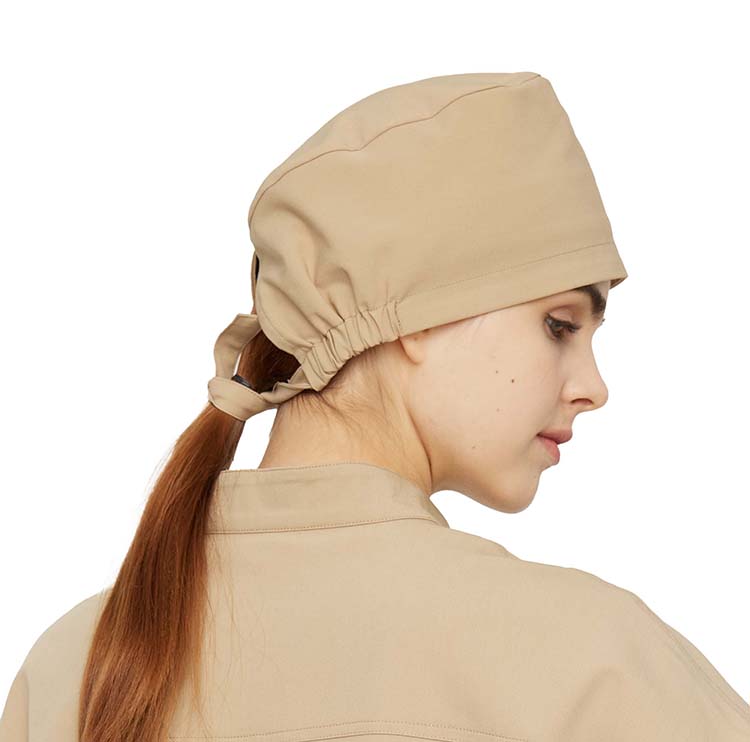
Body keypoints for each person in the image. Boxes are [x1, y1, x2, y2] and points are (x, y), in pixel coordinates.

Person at [1, 72, 748, 742]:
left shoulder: (75, 667)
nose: (594, 386)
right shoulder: (594, 661)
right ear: (414, 314)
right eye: (559, 325)